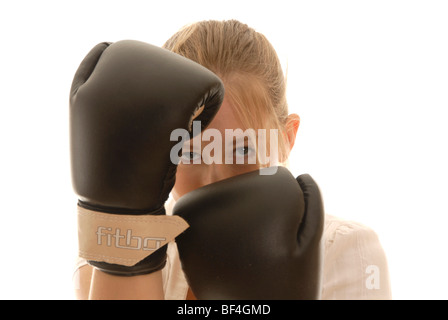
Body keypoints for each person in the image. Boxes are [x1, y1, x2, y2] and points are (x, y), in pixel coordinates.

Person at [73, 19, 392, 300]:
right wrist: (123, 254)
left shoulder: (346, 251)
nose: (214, 179)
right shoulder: (116, 247)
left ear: (288, 138)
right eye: (190, 152)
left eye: (242, 150)